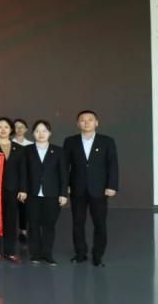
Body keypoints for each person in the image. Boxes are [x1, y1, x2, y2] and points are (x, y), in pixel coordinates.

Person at [64, 110, 119, 267]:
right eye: (82, 120)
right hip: (77, 188)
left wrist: (112, 186)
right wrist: (65, 185)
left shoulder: (107, 141)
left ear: (97, 122)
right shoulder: (70, 141)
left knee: (99, 223)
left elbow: (112, 165)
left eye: (90, 119)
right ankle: (80, 253)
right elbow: (65, 166)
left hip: (99, 189)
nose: (86, 122)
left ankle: (97, 255)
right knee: (77, 223)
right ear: (78, 124)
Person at [24, 120, 68, 266]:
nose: (41, 134)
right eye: (37, 131)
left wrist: (63, 193)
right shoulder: (27, 150)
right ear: (33, 133)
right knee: (33, 225)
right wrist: (23, 190)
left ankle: (47, 254)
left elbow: (63, 174)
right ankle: (35, 254)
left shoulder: (59, 151)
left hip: (52, 194)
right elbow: (23, 172)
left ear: (50, 133)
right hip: (32, 194)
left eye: (44, 131)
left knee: (49, 225)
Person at [0, 117, 27, 264]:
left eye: (6, 127)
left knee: (11, 221)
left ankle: (10, 251)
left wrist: (23, 189)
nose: (3, 130)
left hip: (12, 189)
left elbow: (23, 171)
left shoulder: (19, 148)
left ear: (11, 130)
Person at [12, 118, 33, 242]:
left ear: (26, 129)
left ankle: (23, 231)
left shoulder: (31, 145)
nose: (19, 129)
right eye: (16, 127)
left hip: (26, 180)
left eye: (22, 127)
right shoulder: (8, 143)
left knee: (24, 207)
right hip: (12, 180)